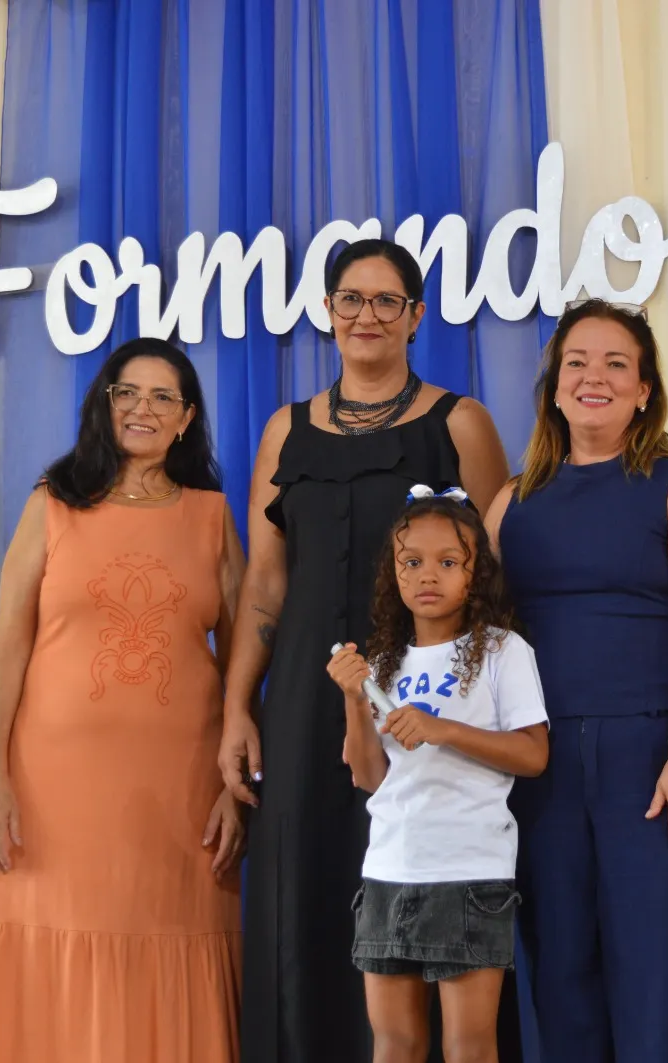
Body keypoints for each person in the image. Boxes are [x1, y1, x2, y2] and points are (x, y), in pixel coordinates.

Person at [219, 239, 513, 1062]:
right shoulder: (286, 430)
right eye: (351, 298)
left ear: (416, 317)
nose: (367, 315)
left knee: (428, 890)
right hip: (307, 700)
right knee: (307, 884)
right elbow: (264, 585)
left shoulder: (461, 422)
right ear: (327, 311)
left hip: (429, 700)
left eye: (388, 301)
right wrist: (238, 707)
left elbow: (497, 573)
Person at [0, 338, 246, 1062]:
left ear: (187, 417)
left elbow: (243, 665)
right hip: (50, 796)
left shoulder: (211, 517)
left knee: (171, 943)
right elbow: (6, 645)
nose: (143, 408)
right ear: (104, 404)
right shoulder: (52, 504)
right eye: (127, 393)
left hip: (179, 801)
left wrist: (238, 788)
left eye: (163, 396)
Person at [484, 299, 668, 1063]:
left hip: (661, 762)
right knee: (561, 987)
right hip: (541, 767)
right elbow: (475, 633)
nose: (593, 376)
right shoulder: (511, 500)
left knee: (665, 987)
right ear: (554, 387)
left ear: (643, 390)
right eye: (577, 362)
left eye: (616, 363)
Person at [326, 488, 549, 1063]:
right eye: (412, 561)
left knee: (468, 1046)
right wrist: (354, 699)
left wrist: (442, 728)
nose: (428, 575)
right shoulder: (383, 661)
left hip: (469, 873)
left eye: (449, 562)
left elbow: (533, 755)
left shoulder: (502, 650)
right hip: (388, 869)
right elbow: (370, 777)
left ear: (477, 575)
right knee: (394, 1043)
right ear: (393, 573)